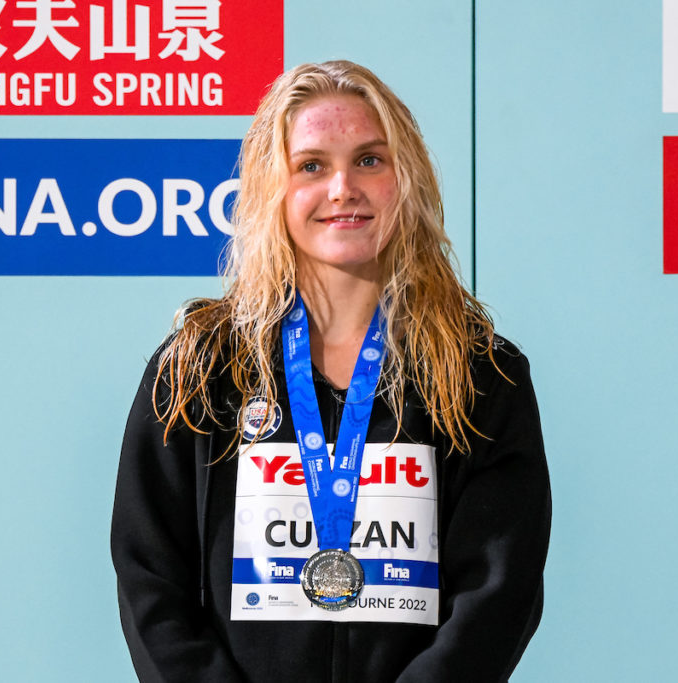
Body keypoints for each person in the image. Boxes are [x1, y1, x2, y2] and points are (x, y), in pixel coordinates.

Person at [111, 60, 551, 682]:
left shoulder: (480, 375)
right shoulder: (199, 369)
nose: (343, 187)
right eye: (312, 165)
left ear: (408, 179)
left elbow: (497, 593)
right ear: (273, 189)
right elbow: (150, 579)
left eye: (370, 159)